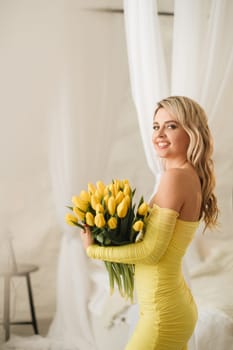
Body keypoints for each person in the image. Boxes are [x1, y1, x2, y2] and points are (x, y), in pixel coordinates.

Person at [81, 96, 219, 350]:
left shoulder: (176, 178)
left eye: (171, 126)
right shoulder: (187, 175)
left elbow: (151, 251)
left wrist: (94, 250)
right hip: (170, 303)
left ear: (192, 131)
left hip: (162, 312)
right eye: (156, 126)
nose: (160, 133)